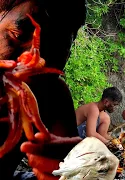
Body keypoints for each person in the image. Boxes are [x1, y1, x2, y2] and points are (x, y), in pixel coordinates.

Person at [0, 0, 86, 179]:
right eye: (17, 35)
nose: (28, 76)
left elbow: (69, 171)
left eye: (53, 56)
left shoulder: (52, 94)